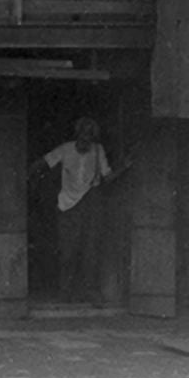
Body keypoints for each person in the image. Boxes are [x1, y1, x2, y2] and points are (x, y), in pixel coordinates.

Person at [30, 117, 128, 303]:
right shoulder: (65, 149)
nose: (86, 140)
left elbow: (107, 177)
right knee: (67, 251)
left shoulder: (98, 151)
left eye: (90, 137)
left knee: (90, 249)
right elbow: (43, 162)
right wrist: (24, 174)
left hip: (91, 204)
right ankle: (65, 292)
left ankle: (90, 292)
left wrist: (123, 168)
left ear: (93, 138)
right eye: (83, 135)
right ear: (77, 135)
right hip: (67, 205)